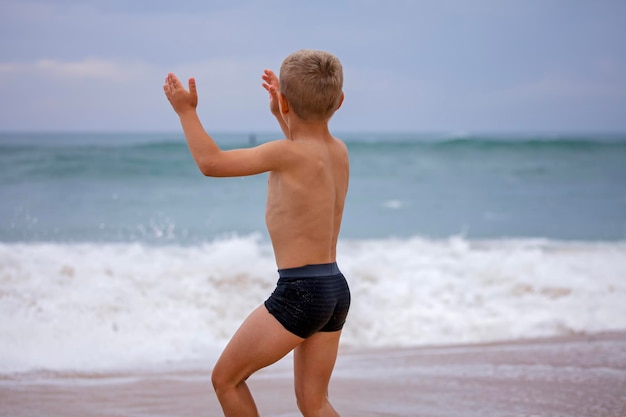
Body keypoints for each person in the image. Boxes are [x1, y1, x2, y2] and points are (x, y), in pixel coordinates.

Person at [163, 49, 350, 417]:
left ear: (283, 101)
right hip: (333, 289)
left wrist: (186, 111)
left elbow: (211, 163)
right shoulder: (337, 152)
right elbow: (305, 147)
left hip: (300, 292)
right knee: (315, 403)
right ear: (340, 102)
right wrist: (283, 114)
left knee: (226, 380)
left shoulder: (285, 153)